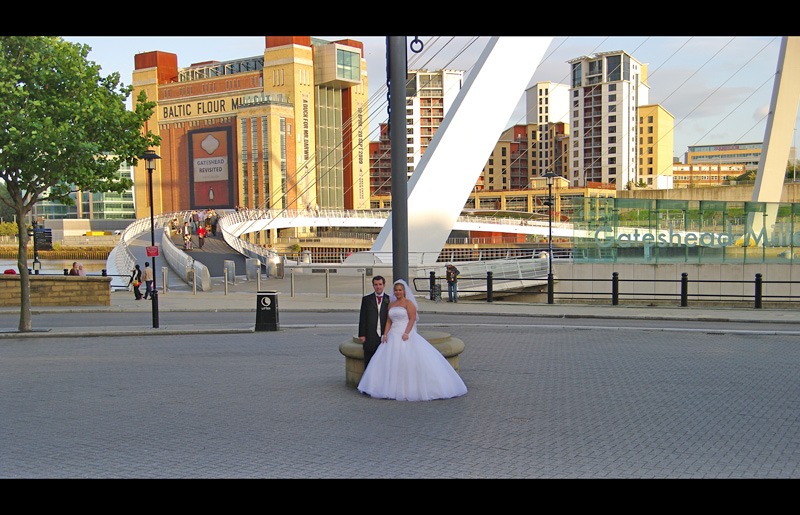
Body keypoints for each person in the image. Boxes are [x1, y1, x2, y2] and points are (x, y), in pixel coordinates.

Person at [358, 279, 468, 401]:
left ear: (404, 291)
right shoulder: (391, 304)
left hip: (405, 334)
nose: (398, 292)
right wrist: (385, 335)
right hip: (392, 334)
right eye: (396, 290)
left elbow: (412, 319)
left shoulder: (408, 303)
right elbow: (389, 320)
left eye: (400, 290)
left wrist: (406, 333)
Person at [358, 276, 389, 370]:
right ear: (373, 286)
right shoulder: (367, 300)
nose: (378, 287)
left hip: (384, 335)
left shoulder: (389, 299)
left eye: (380, 284)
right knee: (369, 362)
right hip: (371, 335)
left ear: (384, 285)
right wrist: (362, 335)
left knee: (383, 362)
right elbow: (363, 317)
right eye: (376, 285)